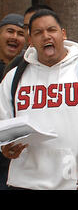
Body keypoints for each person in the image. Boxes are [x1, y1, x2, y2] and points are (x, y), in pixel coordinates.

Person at [0, 9, 78, 190]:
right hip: (24, 183)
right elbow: (4, 125)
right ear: (30, 41)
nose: (46, 36)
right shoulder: (13, 77)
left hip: (77, 182)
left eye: (52, 30)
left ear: (63, 34)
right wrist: (6, 147)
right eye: (38, 33)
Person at [0, 13, 25, 190]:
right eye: (10, 31)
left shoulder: (29, 69)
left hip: (16, 160)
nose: (14, 37)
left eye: (20, 33)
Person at [2, 4, 54, 79]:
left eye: (36, 26)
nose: (29, 32)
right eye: (26, 27)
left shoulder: (75, 64)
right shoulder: (15, 68)